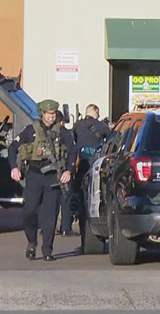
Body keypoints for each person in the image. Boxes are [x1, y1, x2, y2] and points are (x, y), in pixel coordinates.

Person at [9, 99, 76, 261]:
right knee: (29, 212)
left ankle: (47, 250)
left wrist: (69, 170)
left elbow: (73, 151)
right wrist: (14, 167)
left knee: (50, 216)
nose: (51, 117)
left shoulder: (62, 132)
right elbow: (12, 148)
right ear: (42, 114)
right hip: (34, 174)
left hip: (53, 177)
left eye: (53, 114)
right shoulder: (30, 130)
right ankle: (32, 241)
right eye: (48, 114)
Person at [62, 104, 112, 238]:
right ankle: (89, 225)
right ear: (95, 112)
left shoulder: (77, 126)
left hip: (78, 164)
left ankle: (67, 224)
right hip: (94, 165)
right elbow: (112, 139)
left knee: (74, 194)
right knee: (92, 195)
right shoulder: (100, 125)